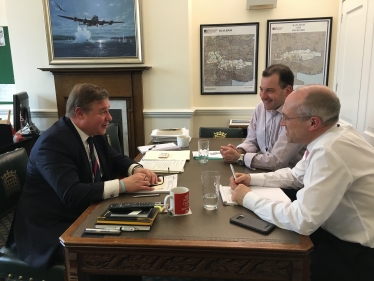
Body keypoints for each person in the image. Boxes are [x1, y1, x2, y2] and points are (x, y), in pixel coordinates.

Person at [230, 85, 374, 281]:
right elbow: (296, 176)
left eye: (287, 118)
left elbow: (303, 220)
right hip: (332, 231)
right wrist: (252, 179)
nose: (282, 124)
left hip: (356, 252)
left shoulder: (329, 151)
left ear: (313, 122)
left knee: (265, 264)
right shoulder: (332, 133)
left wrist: (247, 199)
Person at [9, 83, 158, 270]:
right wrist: (122, 185)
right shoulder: (53, 143)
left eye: (109, 111)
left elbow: (114, 157)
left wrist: (135, 169)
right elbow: (72, 194)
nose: (109, 118)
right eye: (103, 112)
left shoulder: (93, 131)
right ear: (80, 113)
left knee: (135, 231)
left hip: (83, 211)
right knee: (115, 249)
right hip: (51, 226)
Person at [220, 64, 305, 171]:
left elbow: (277, 161)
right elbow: (252, 140)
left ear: (287, 91)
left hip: (289, 182)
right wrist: (240, 151)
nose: (263, 96)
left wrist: (240, 158)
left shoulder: (297, 116)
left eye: (270, 90)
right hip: (265, 173)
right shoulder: (260, 108)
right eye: (261, 89)